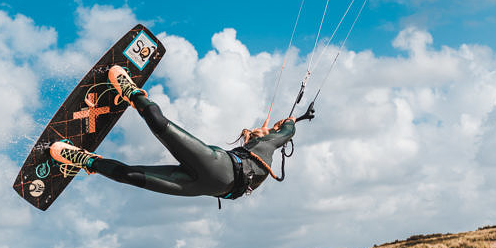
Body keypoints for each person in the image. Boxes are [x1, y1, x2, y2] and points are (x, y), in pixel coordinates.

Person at [49, 65, 311, 200]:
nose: (261, 130)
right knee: (157, 122)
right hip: (218, 166)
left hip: (201, 187)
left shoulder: (267, 146)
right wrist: (286, 126)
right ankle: (131, 93)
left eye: (261, 131)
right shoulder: (261, 150)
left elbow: (287, 132)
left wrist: (287, 122)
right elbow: (286, 132)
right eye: (260, 131)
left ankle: (85, 159)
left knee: (129, 175)